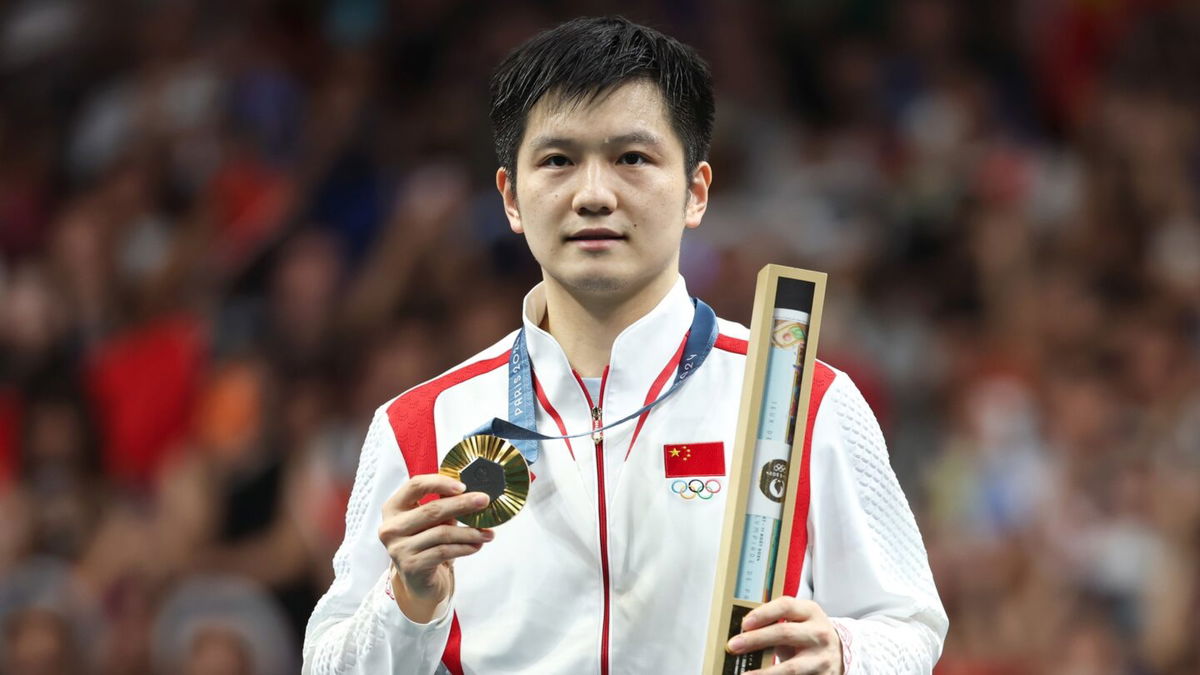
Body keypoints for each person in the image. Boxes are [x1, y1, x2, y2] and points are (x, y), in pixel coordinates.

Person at [303, 16, 947, 674]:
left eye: (632, 158)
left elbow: (908, 624)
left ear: (696, 191)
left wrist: (844, 653)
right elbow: (328, 662)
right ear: (512, 198)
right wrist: (407, 599)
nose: (593, 194)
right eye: (558, 161)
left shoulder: (803, 400)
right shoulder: (418, 425)